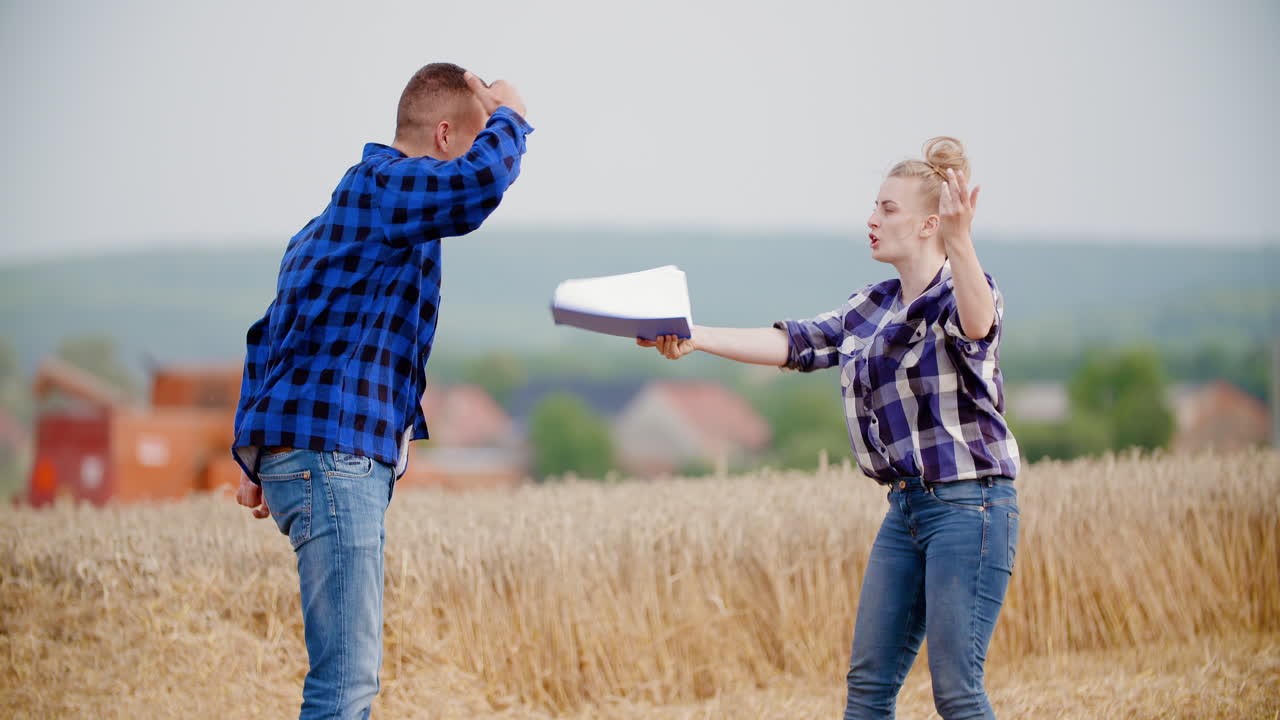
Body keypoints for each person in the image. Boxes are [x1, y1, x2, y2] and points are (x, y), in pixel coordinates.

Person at [639, 137, 1020, 720]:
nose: (871, 220)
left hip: (971, 507)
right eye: (874, 206)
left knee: (957, 690)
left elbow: (978, 324)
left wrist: (963, 243)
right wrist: (692, 336)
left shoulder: (963, 290)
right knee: (867, 686)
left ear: (928, 224)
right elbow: (792, 343)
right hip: (907, 510)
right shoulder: (871, 306)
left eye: (888, 209)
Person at [231, 62, 531, 720]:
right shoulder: (382, 186)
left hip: (314, 458)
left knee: (343, 679)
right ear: (446, 136)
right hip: (337, 461)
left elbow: (267, 334)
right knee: (345, 688)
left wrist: (256, 456)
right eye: (474, 140)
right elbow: (479, 185)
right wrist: (511, 113)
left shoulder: (329, 224)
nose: (479, 155)